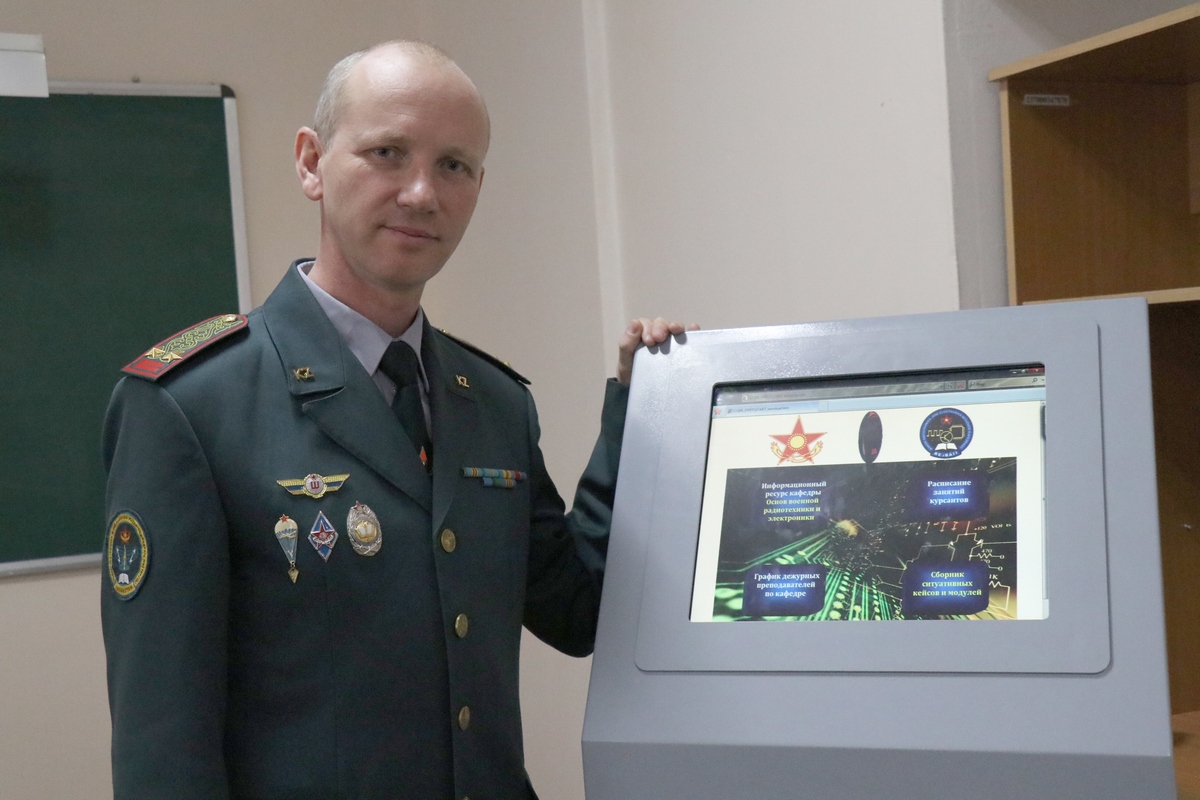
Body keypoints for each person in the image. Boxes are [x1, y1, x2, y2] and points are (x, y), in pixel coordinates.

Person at [101, 40, 691, 799]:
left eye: (454, 165)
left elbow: (577, 612)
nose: (421, 193)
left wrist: (642, 416)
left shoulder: (493, 402)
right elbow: (163, 749)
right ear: (311, 163)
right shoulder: (192, 405)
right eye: (387, 153)